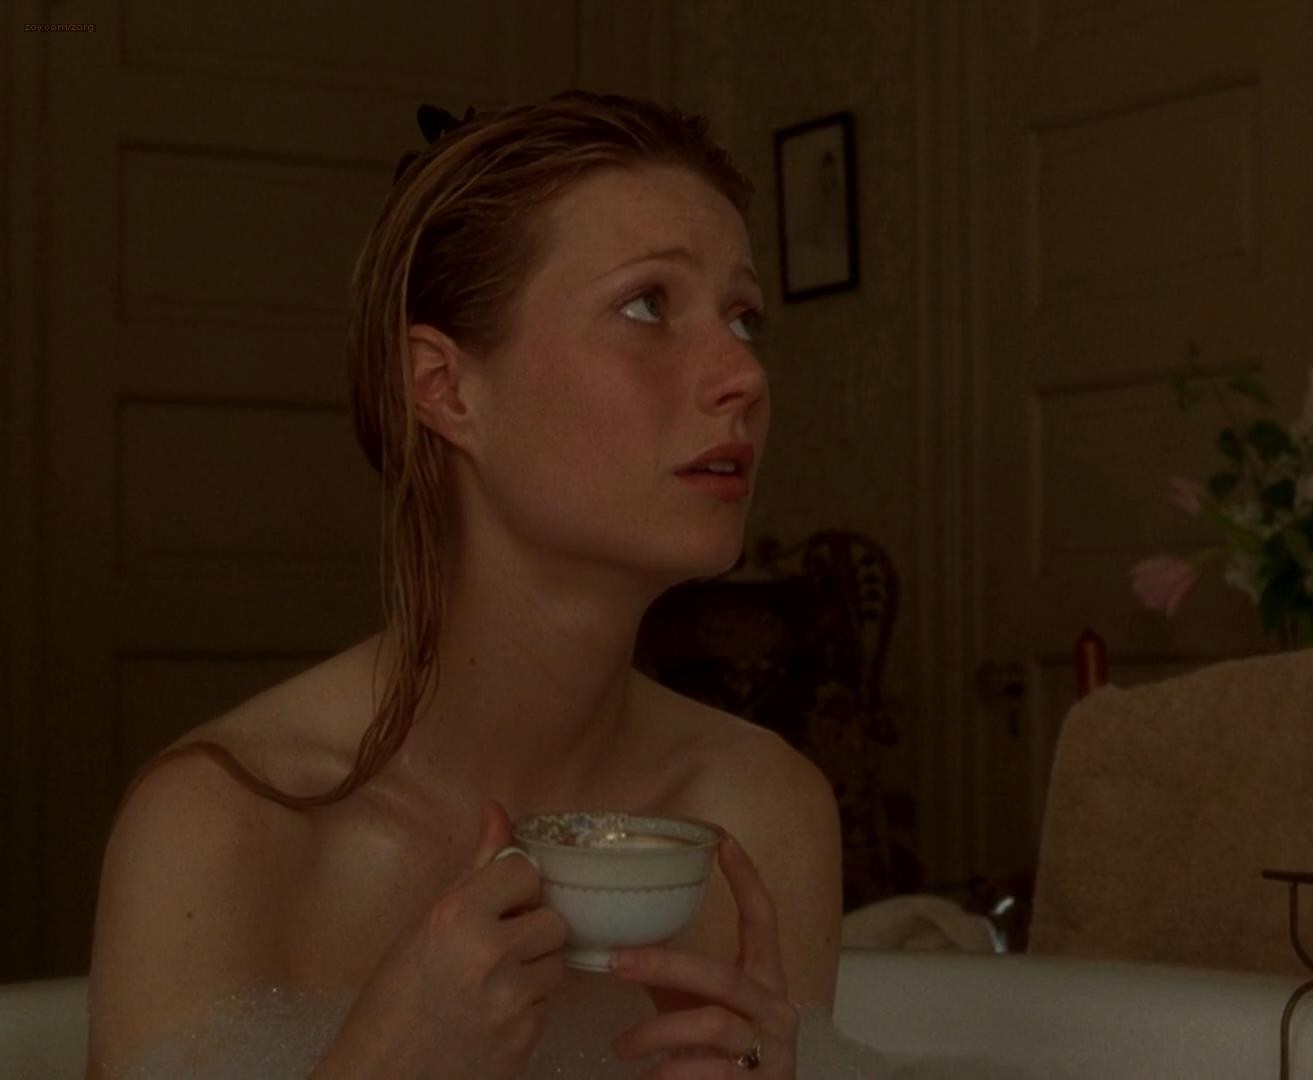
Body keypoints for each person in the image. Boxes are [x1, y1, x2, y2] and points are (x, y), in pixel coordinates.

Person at [84, 90, 842, 1078]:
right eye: (648, 305)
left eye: (742, 317)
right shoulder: (222, 831)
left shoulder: (759, 816)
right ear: (444, 388)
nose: (742, 374)